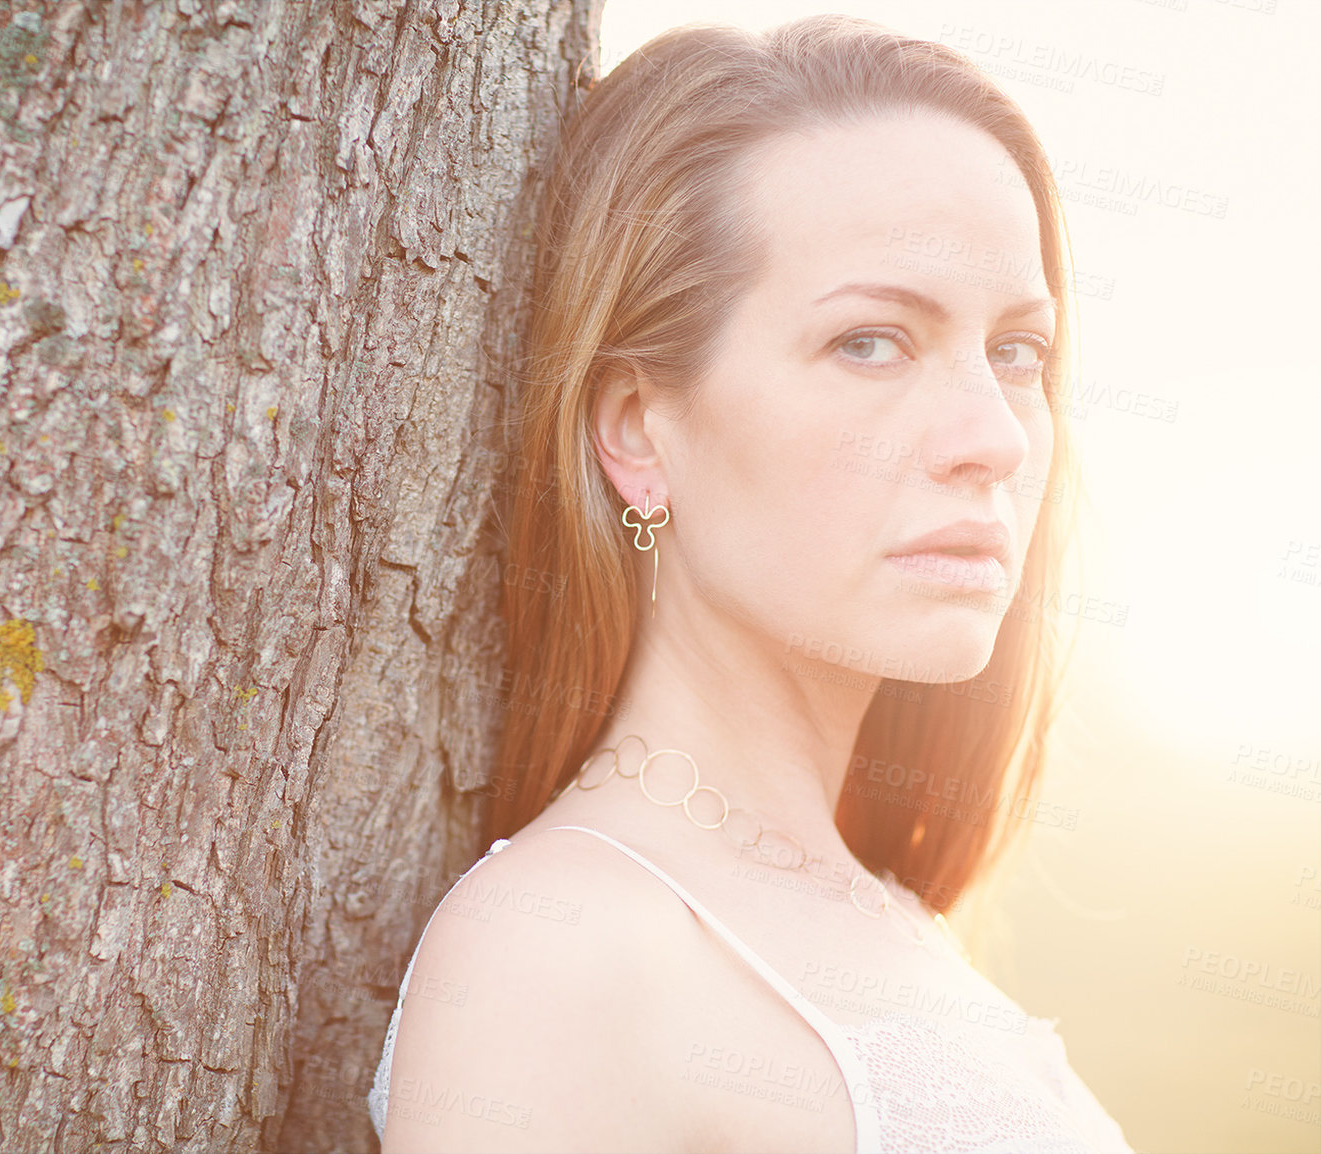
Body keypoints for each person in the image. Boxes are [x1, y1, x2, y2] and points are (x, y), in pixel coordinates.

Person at [369, 15, 1133, 1153]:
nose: (994, 437)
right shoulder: (568, 945)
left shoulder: (891, 914)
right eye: (870, 342)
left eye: (1015, 351)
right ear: (638, 426)